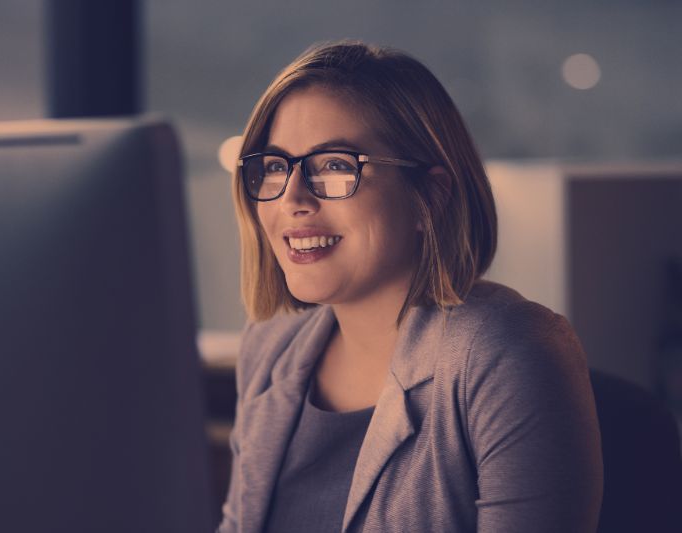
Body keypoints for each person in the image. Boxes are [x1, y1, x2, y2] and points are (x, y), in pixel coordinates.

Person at [218, 40, 603, 533]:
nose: (292, 198)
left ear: (431, 194)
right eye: (274, 166)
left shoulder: (508, 353)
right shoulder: (271, 345)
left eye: (335, 165)